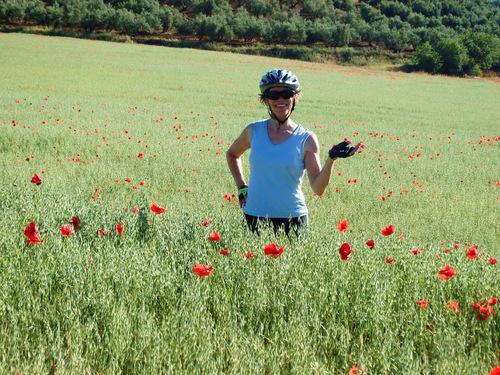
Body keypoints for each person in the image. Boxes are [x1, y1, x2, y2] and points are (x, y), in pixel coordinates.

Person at [226, 68, 360, 236]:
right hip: (254, 215)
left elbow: (318, 188)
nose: (280, 99)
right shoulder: (254, 131)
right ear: (266, 100)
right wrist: (241, 187)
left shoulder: (306, 138)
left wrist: (331, 158)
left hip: (292, 219)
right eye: (274, 95)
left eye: (287, 93)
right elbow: (232, 154)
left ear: (295, 97)